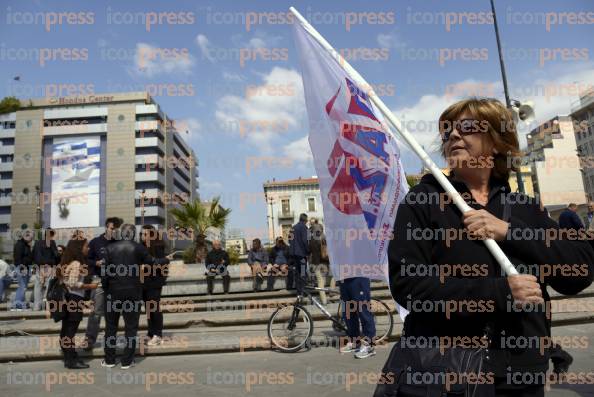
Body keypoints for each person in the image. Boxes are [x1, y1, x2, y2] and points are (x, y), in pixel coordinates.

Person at [388, 98, 594, 396]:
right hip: (450, 374)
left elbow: (579, 272)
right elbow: (408, 286)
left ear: (497, 142)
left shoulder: (524, 209)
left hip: (522, 377)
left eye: (467, 127)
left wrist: (509, 232)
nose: (454, 136)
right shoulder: (424, 202)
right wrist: (498, 293)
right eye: (447, 132)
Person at [101, 224, 172, 369]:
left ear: (121, 233)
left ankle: (109, 360)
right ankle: (127, 361)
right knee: (131, 328)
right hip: (132, 292)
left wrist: (106, 288)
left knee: (110, 327)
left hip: (113, 292)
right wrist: (166, 259)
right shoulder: (138, 248)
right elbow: (153, 262)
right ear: (133, 234)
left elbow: (104, 273)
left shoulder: (109, 248)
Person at [57, 232, 98, 369]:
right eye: (86, 246)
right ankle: (70, 360)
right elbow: (73, 283)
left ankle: (70, 355)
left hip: (68, 298)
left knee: (66, 329)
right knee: (70, 330)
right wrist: (90, 286)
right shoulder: (76, 263)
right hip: (73, 298)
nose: (88, 248)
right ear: (79, 248)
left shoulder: (69, 261)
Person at [83, 217, 122, 350]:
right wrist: (96, 263)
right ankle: (89, 339)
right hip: (99, 280)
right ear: (106, 227)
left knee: (113, 312)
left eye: (116, 229)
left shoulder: (119, 243)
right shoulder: (95, 242)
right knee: (97, 311)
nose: (113, 231)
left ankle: (110, 340)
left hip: (114, 281)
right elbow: (86, 259)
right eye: (112, 228)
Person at [140, 225, 168, 347]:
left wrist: (147, 267)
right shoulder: (141, 247)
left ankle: (158, 334)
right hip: (143, 283)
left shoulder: (158, 247)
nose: (143, 237)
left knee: (155, 309)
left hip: (154, 282)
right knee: (148, 309)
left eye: (145, 234)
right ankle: (151, 333)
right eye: (141, 234)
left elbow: (162, 264)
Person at [338, 277, 377, 359]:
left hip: (358, 276)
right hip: (343, 278)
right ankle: (355, 341)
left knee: (363, 312)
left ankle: (369, 345)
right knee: (348, 313)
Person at [32, 228, 59, 311]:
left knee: (38, 287)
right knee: (49, 287)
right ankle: (46, 307)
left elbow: (34, 255)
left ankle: (37, 307)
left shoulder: (37, 243)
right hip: (49, 268)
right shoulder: (51, 242)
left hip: (39, 268)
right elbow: (56, 256)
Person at [288, 213, 310, 295]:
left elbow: (289, 241)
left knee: (297, 274)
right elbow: (305, 241)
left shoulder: (292, 228)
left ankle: (298, 292)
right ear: (305, 220)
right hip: (302, 255)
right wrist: (308, 251)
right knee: (303, 273)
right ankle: (303, 291)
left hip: (294, 255)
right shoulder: (304, 228)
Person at [12, 230, 34, 311]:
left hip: (25, 268)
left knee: (22, 287)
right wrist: (22, 268)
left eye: (32, 237)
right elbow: (17, 258)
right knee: (22, 287)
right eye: (30, 237)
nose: (31, 239)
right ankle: (17, 305)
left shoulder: (25, 245)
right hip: (22, 268)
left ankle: (20, 304)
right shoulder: (20, 245)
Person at [308, 219, 328, 304]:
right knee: (322, 280)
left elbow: (309, 251)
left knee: (320, 281)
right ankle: (324, 298)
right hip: (325, 262)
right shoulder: (324, 238)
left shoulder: (311, 239)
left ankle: (324, 301)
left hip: (316, 263)